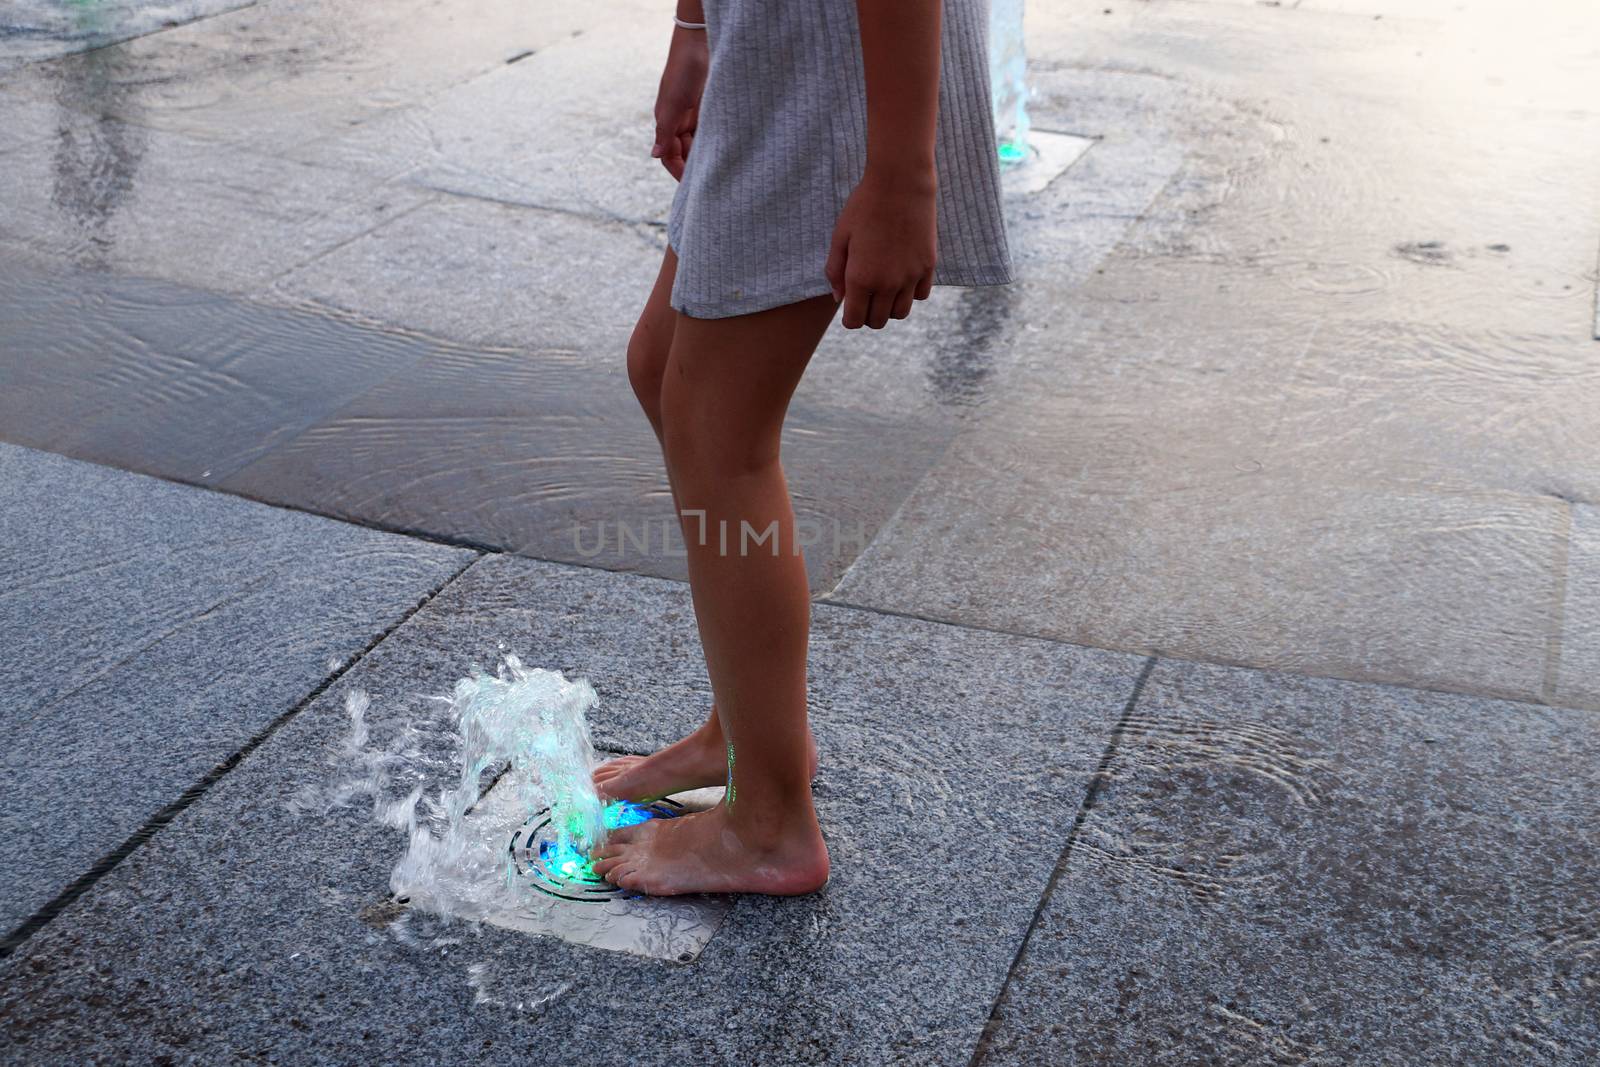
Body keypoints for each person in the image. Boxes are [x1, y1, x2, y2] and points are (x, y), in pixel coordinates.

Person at [590, 0, 1015, 895]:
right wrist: (697, 28)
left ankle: (770, 825)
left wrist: (901, 172)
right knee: (661, 363)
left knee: (720, 429)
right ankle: (742, 739)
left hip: (841, 45)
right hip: (774, 36)